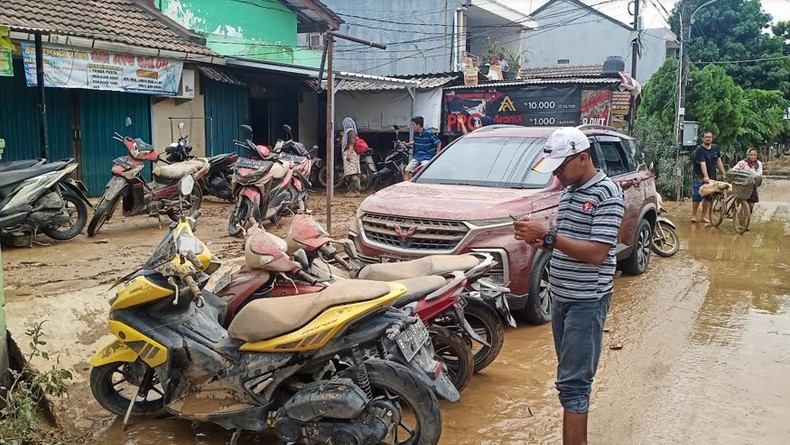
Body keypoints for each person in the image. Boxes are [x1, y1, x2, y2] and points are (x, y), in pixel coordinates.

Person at [513, 127, 624, 445]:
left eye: (562, 167)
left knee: (574, 386)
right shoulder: (570, 190)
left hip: (586, 301)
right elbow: (566, 241)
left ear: (583, 158)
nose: (558, 175)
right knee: (568, 379)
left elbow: (597, 253)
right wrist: (539, 237)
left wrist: (548, 236)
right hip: (562, 297)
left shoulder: (607, 195)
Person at [691, 131, 727, 224]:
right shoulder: (700, 150)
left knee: (708, 197)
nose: (708, 138)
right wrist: (705, 176)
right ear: (703, 138)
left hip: (712, 176)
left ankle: (703, 216)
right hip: (699, 176)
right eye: (706, 137)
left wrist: (724, 173)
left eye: (709, 137)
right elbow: (703, 164)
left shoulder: (715, 148)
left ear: (712, 138)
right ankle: (694, 215)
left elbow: (719, 161)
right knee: (697, 195)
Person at [404, 116, 441, 181]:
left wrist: (436, 155)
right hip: (418, 156)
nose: (412, 126)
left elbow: (438, 143)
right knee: (407, 170)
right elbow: (416, 141)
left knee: (421, 171)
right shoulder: (416, 134)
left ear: (419, 125)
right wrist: (408, 143)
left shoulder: (428, 133)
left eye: (413, 124)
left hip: (427, 156)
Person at [734, 147, 763, 212]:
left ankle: (746, 215)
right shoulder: (742, 163)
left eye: (754, 155)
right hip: (742, 185)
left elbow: (759, 174)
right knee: (739, 200)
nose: (753, 156)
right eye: (751, 155)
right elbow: (734, 170)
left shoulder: (758, 164)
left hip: (752, 186)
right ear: (748, 155)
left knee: (751, 205)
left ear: (756, 155)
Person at [340, 117, 363, 197]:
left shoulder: (350, 132)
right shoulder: (349, 132)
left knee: (353, 173)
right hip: (350, 153)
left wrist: (349, 154)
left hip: (351, 154)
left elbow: (351, 143)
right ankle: (351, 191)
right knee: (351, 173)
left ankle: (355, 191)